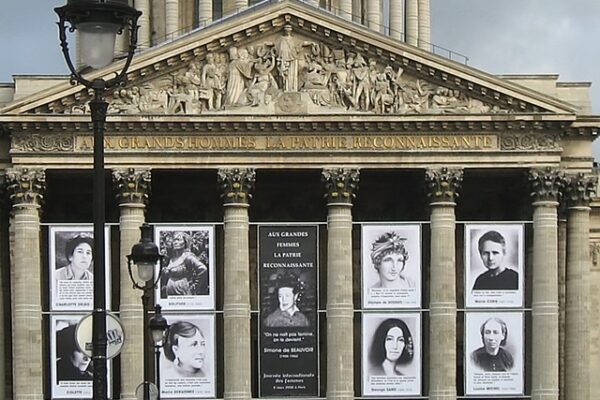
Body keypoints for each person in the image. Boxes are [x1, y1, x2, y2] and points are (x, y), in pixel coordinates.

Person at [162, 232, 208, 296]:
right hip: (170, 294)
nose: (175, 242)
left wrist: (194, 287)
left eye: (178, 240)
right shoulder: (172, 258)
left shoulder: (188, 257)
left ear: (185, 242)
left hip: (182, 292)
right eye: (174, 240)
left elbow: (203, 269)